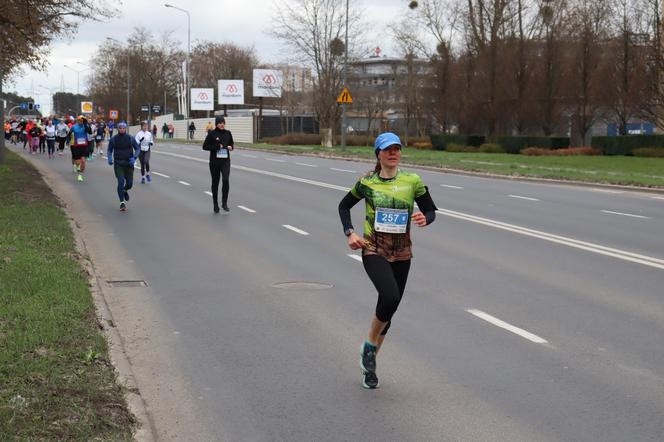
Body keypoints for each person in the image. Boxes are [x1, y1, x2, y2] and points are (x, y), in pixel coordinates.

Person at [337, 132, 438, 390]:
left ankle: (369, 367)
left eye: (397, 149)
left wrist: (426, 218)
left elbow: (430, 209)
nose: (393, 153)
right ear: (378, 154)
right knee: (390, 296)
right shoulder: (367, 182)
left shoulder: (412, 181)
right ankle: (370, 344)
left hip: (403, 252)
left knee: (388, 311)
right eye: (387, 149)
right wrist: (350, 232)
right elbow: (344, 206)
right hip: (373, 249)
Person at [202, 116, 234, 213]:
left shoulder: (228, 133)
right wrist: (216, 147)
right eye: (220, 122)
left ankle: (224, 203)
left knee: (225, 180)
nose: (222, 124)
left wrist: (230, 147)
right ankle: (215, 204)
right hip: (215, 162)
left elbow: (232, 144)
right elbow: (205, 146)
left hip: (225, 161)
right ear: (216, 124)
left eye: (223, 122)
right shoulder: (212, 134)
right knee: (215, 183)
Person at [107, 122, 140, 211]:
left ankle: (125, 190)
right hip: (118, 164)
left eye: (123, 128)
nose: (122, 129)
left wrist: (134, 158)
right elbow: (109, 150)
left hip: (129, 164)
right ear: (118, 129)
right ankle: (122, 203)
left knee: (129, 184)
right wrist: (109, 158)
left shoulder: (130, 138)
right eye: (120, 128)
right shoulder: (113, 139)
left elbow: (137, 148)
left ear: (125, 129)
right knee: (121, 181)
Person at [70, 116, 93, 182]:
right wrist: (69, 141)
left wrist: (86, 124)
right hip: (76, 146)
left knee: (83, 161)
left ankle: (80, 175)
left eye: (82, 120)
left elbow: (90, 132)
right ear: (77, 120)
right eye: (79, 120)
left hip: (84, 146)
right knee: (78, 162)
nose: (81, 121)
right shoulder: (74, 127)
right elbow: (69, 133)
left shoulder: (85, 126)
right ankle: (78, 170)